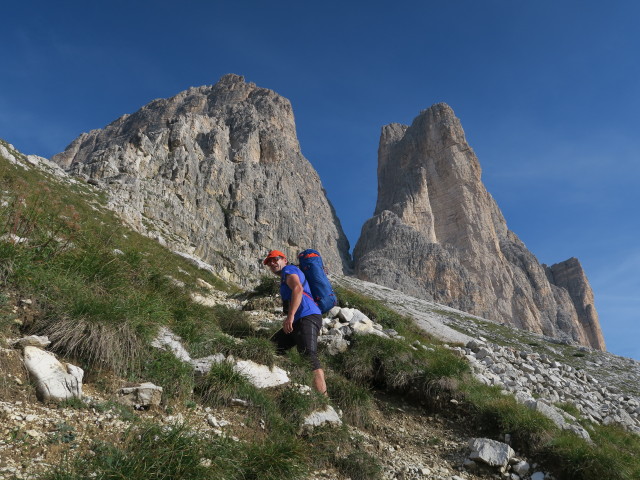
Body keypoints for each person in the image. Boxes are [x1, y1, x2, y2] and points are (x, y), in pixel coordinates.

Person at [263, 250, 327, 395]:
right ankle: (282, 383)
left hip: (307, 316)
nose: (272, 263)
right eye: (269, 262)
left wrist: (290, 317)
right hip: (299, 320)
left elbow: (298, 289)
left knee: (309, 356)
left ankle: (324, 400)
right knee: (273, 347)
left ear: (284, 260)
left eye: (275, 259)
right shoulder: (286, 274)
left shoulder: (289, 270)